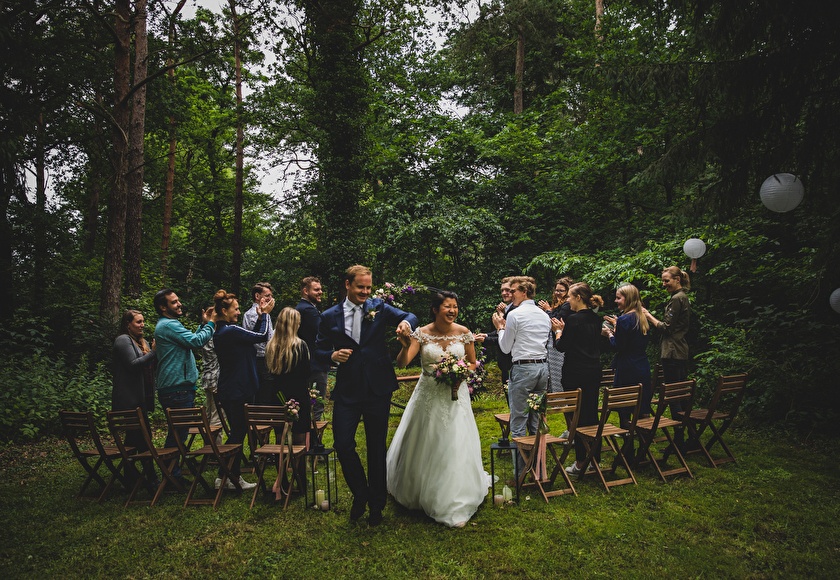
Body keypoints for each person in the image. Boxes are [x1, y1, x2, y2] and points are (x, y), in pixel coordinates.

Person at [315, 265, 418, 526]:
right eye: (360, 287)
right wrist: (331, 356)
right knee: (343, 444)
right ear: (347, 285)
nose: (365, 291)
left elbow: (410, 315)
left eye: (368, 287)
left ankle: (377, 505)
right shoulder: (329, 316)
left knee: (375, 446)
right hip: (348, 389)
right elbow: (317, 349)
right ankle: (361, 493)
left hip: (378, 387)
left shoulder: (379, 308)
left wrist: (405, 323)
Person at [387, 291, 488, 528]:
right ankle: (418, 489)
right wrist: (403, 346)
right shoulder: (421, 333)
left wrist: (461, 372)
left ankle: (455, 498)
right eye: (447, 307)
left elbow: (473, 363)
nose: (452, 311)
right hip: (428, 394)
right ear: (435, 309)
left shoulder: (464, 333)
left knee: (455, 440)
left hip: (456, 394)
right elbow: (403, 362)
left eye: (455, 307)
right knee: (426, 439)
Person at [212, 289, 273, 491]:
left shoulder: (227, 331)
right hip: (236, 389)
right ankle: (227, 476)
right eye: (235, 309)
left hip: (234, 388)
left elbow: (253, 336)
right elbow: (263, 335)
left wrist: (261, 317)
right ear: (224, 310)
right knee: (238, 432)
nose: (238, 313)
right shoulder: (230, 331)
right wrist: (264, 315)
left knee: (239, 431)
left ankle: (231, 475)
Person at [154, 288, 216, 479]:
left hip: (177, 388)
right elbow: (196, 342)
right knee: (178, 435)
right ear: (163, 307)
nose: (179, 304)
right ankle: (171, 475)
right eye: (174, 302)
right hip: (177, 388)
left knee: (178, 433)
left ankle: (172, 472)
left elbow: (189, 340)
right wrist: (212, 323)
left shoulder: (169, 325)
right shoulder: (168, 325)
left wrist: (203, 324)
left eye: (178, 300)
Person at [491, 276, 551, 469]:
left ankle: (521, 471)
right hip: (543, 368)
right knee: (536, 418)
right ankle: (538, 466)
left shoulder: (515, 315)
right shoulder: (544, 315)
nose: (511, 294)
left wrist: (500, 328)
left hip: (524, 368)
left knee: (518, 419)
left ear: (524, 292)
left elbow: (506, 347)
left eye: (514, 290)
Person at [551, 282, 605, 475]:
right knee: (591, 414)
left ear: (578, 298)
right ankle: (594, 459)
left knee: (577, 417)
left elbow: (562, 346)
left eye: (570, 297)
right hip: (593, 370)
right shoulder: (596, 319)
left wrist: (558, 332)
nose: (568, 301)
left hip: (575, 372)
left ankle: (581, 461)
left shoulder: (574, 320)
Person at [265, 307, 312, 495]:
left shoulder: (271, 345)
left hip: (278, 399)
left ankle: (283, 480)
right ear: (294, 324)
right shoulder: (300, 346)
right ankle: (299, 480)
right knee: (299, 440)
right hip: (298, 397)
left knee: (280, 440)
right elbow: (307, 374)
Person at [643, 266, 692, 449]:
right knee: (680, 394)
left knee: (674, 395)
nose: (664, 284)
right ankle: (688, 436)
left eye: (667, 280)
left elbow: (666, 327)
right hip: (680, 351)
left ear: (677, 279)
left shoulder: (678, 299)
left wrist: (648, 316)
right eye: (663, 281)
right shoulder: (682, 297)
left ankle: (679, 440)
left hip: (672, 351)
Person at [111, 309, 157, 483]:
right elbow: (132, 365)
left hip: (141, 400)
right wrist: (153, 353)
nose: (142, 325)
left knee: (134, 439)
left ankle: (130, 477)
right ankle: (151, 479)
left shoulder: (141, 342)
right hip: (129, 400)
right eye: (138, 322)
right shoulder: (123, 340)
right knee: (143, 438)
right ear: (128, 324)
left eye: (143, 321)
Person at [603, 283, 651, 421]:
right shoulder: (641, 317)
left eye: (619, 298)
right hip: (642, 365)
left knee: (624, 404)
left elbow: (618, 346)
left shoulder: (624, 319)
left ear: (628, 299)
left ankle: (627, 436)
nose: (615, 301)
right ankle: (644, 438)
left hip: (627, 367)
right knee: (641, 404)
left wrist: (610, 335)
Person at [295, 276, 328, 420]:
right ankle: (314, 440)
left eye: (320, 289)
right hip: (314, 364)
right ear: (305, 291)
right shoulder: (308, 311)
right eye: (316, 290)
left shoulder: (303, 308)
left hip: (306, 363)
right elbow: (324, 333)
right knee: (316, 404)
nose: (320, 292)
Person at [242, 282, 275, 405]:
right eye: (267, 295)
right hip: (260, 359)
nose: (270, 299)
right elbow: (260, 340)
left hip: (264, 358)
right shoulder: (253, 314)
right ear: (257, 296)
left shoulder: (263, 312)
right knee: (264, 393)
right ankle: (262, 421)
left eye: (271, 296)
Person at [539, 277, 574, 393]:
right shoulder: (559, 304)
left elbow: (556, 321)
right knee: (552, 372)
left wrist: (548, 310)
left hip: (559, 341)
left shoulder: (567, 305)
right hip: (552, 342)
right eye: (556, 290)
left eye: (561, 291)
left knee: (557, 372)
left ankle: (560, 397)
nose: (558, 293)